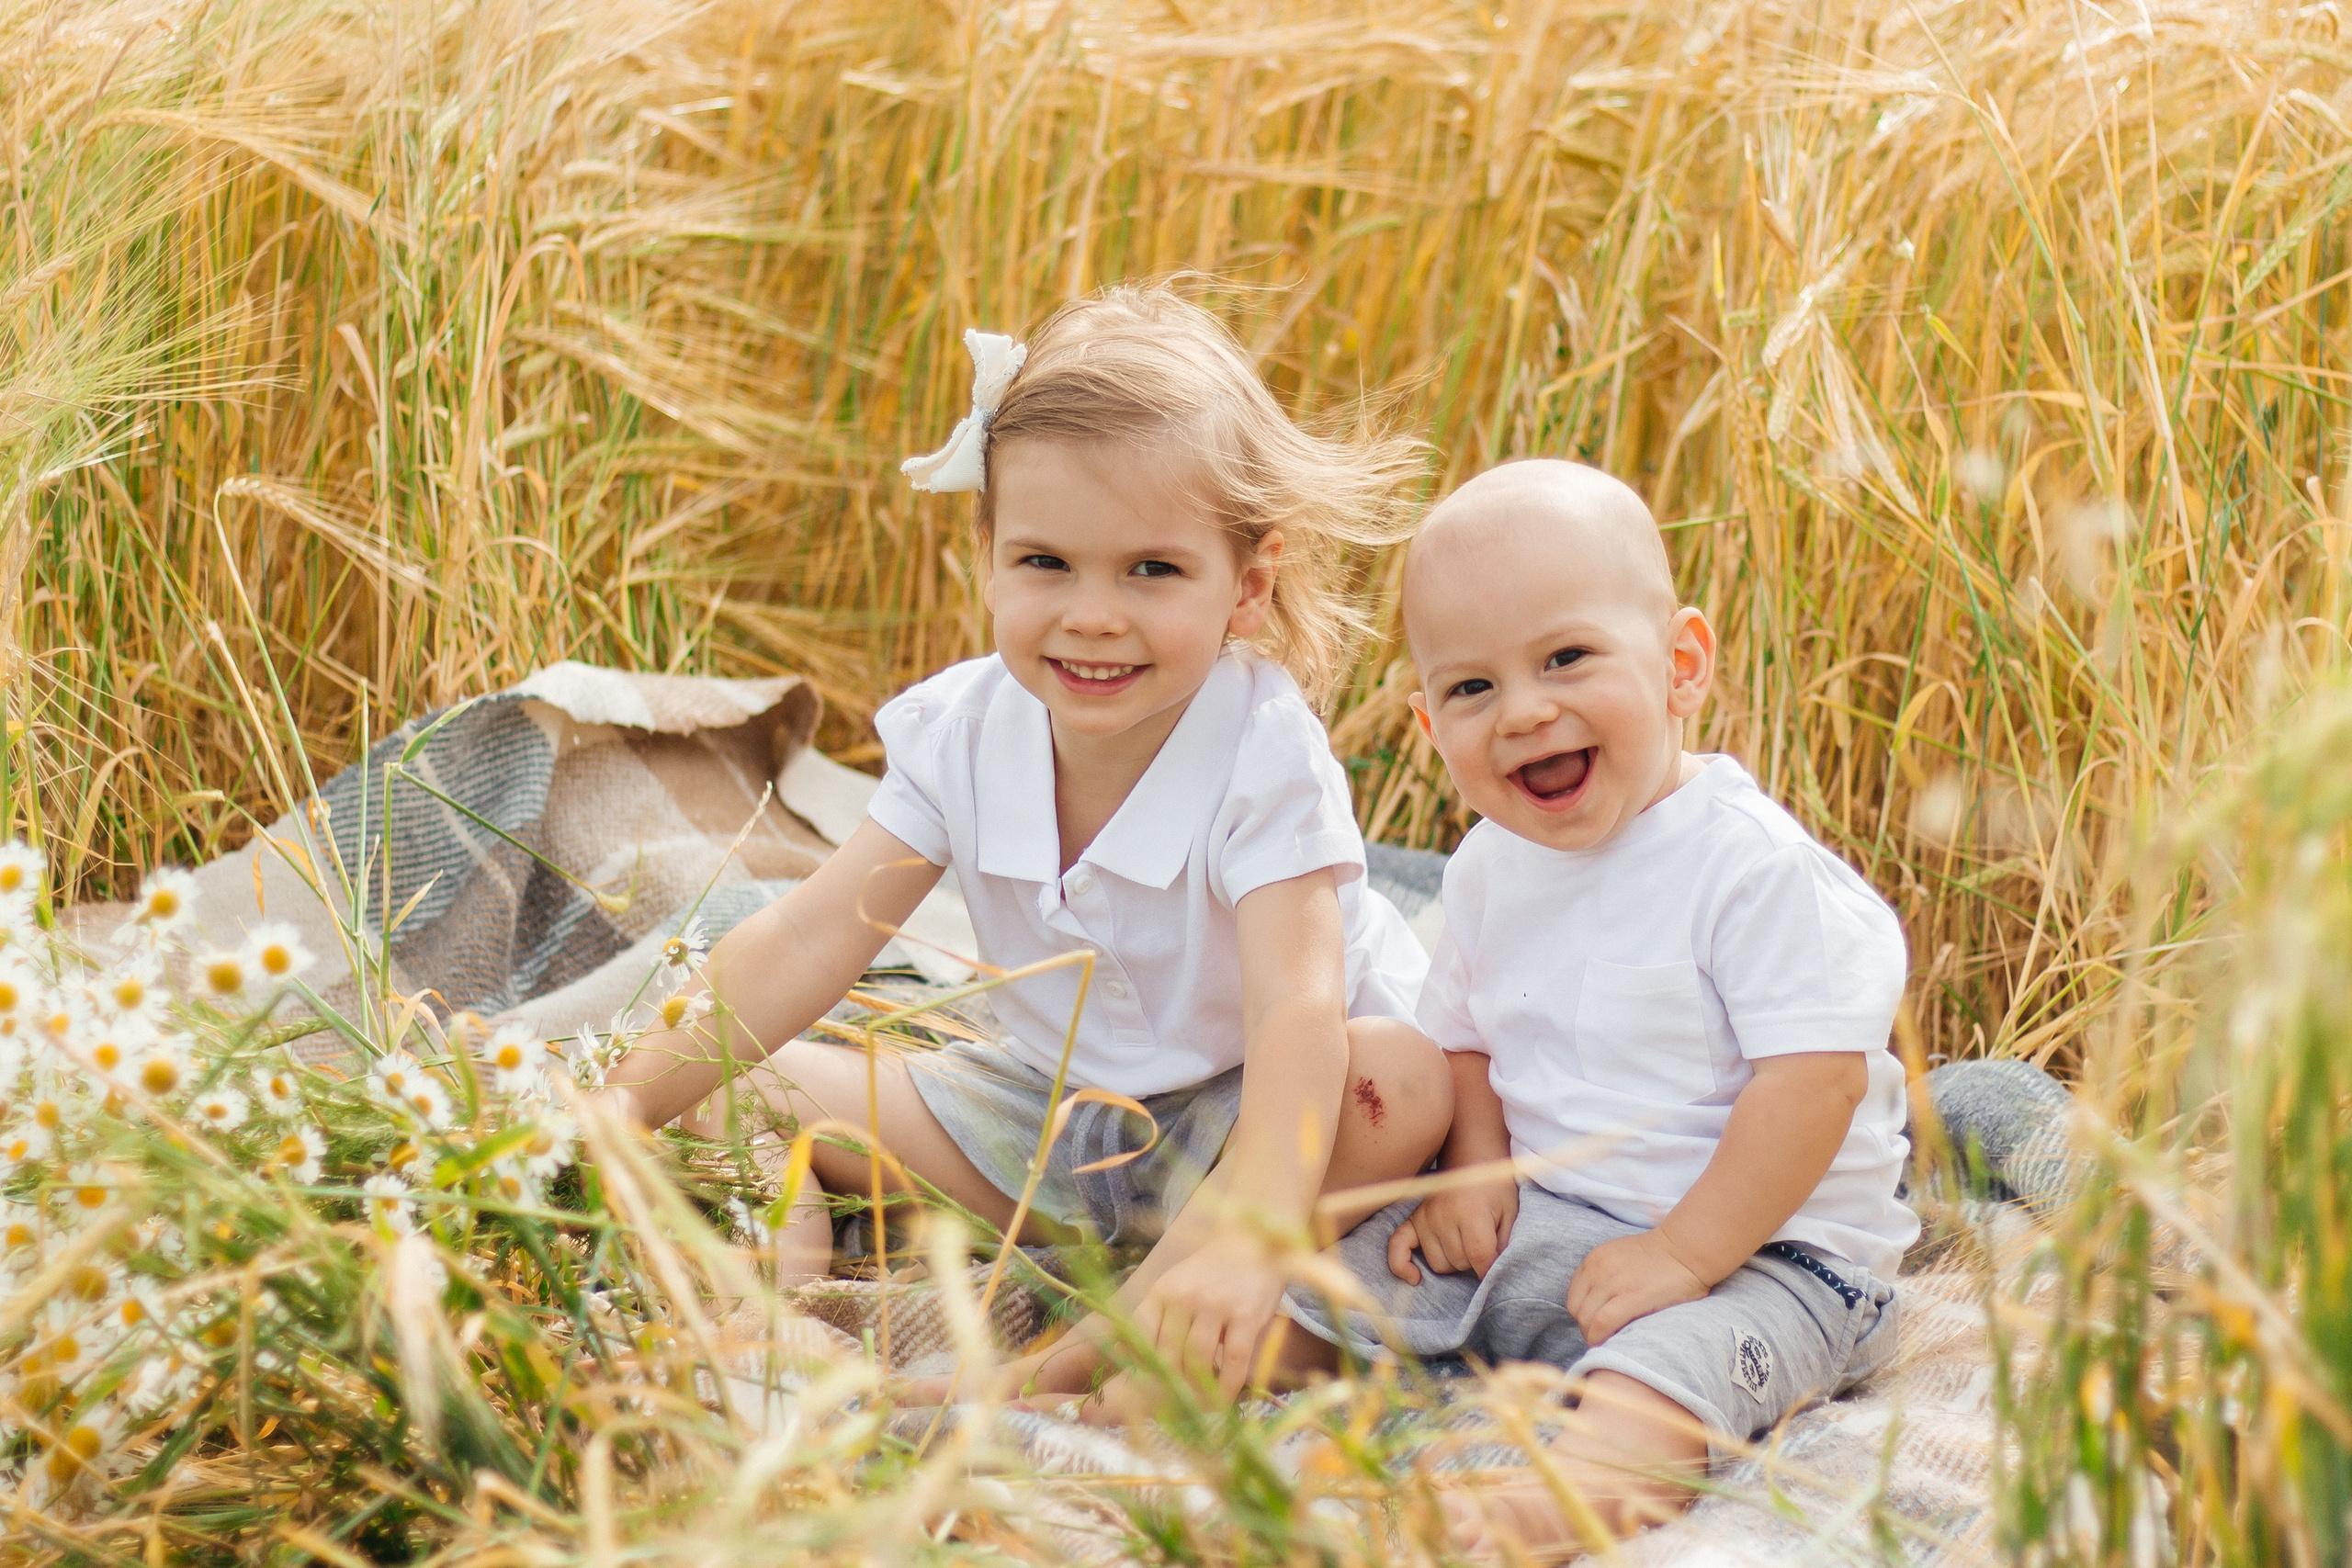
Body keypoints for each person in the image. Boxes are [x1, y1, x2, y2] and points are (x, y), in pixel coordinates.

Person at [602, 284, 1451, 1404]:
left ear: (1248, 587)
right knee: (735, 1081)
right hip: (1062, 1117)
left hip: (1260, 1123)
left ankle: (1048, 1370)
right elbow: (816, 934)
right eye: (1046, 564)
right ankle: (773, 1319)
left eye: (1152, 570)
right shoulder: (962, 734)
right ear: (989, 555)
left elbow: (1296, 1017)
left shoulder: (1260, 753)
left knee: (1394, 1075)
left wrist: (1250, 1231)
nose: (1092, 614)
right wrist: (618, 1102)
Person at [1279, 459, 1917, 1560]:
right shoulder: (1485, 867)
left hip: (1769, 1252)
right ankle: (1216, 1369)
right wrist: (1477, 1169)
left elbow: (1817, 1084)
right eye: (1472, 688)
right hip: (1561, 1227)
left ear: (1680, 667)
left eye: (1566, 658)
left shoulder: (1748, 869)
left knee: (1666, 1371)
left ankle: (1557, 1500)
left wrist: (1683, 1254)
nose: (1525, 712)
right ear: (1431, 729)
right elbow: (1466, 1038)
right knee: (1361, 1263)